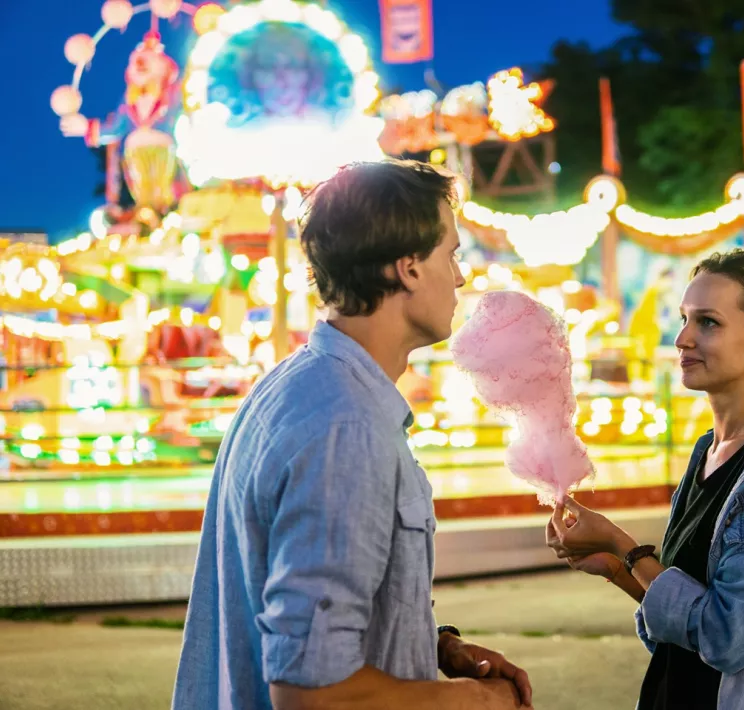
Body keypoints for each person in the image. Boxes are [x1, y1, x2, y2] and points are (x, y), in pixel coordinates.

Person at [172, 161, 532, 710]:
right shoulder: (347, 428)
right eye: (451, 254)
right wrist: (479, 700)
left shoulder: (299, 386)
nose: (459, 276)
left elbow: (300, 615)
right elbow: (312, 692)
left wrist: (433, 645)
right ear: (409, 267)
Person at [546, 250, 744, 709]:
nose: (683, 338)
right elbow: (688, 612)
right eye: (684, 319)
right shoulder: (707, 452)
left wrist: (622, 544)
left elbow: (726, 635)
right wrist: (616, 568)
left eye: (708, 322)